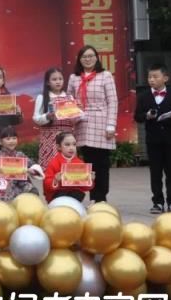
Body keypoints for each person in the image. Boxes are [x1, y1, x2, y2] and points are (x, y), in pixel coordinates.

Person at [67, 45, 118, 203]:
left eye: (91, 56)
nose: (88, 59)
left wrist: (111, 125)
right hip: (83, 123)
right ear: (79, 60)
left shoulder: (105, 75)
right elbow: (68, 100)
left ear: (96, 58)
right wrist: (74, 108)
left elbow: (112, 101)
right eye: (84, 57)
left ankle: (101, 197)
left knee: (102, 162)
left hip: (101, 122)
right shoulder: (74, 78)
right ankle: (92, 196)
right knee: (88, 163)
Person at [133, 64, 171, 213]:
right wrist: (147, 115)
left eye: (155, 76)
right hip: (153, 141)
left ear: (165, 78)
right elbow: (137, 116)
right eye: (149, 77)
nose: (151, 79)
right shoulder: (143, 96)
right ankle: (157, 202)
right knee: (155, 173)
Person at [33, 68, 83, 170]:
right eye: (54, 79)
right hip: (49, 138)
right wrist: (47, 116)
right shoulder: (42, 97)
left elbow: (75, 120)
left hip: (67, 138)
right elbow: (36, 118)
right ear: (48, 82)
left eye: (60, 79)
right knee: (50, 168)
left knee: (67, 167)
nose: (58, 82)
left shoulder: (69, 98)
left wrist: (78, 112)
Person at [0, 126, 43, 203]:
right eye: (8, 139)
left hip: (21, 183)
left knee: (33, 191)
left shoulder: (20, 155)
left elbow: (35, 167)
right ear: (0, 141)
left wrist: (31, 171)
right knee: (2, 195)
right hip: (2, 184)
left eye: (14, 138)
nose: (12, 141)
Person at [43, 131, 94, 202]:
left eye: (74, 144)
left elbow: (85, 188)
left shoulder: (80, 163)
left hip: (74, 194)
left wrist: (90, 180)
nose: (71, 148)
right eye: (67, 145)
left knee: (78, 193)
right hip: (57, 193)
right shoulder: (53, 163)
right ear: (59, 147)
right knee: (62, 194)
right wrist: (55, 180)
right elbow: (46, 183)